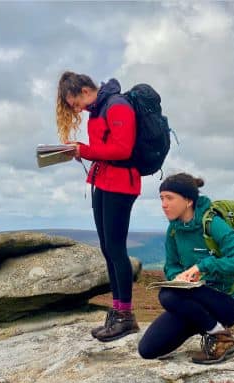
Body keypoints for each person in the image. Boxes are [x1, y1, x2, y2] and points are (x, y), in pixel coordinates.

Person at [56, 71, 140, 342]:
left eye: (73, 102)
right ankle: (116, 312)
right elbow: (106, 147)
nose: (74, 108)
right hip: (103, 182)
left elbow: (123, 149)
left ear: (83, 90)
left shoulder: (117, 105)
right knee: (107, 248)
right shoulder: (99, 109)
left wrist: (85, 151)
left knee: (116, 249)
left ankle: (126, 316)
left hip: (121, 184)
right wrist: (79, 151)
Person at [138, 173, 234, 364]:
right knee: (148, 349)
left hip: (227, 302)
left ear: (188, 200)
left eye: (170, 198)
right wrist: (178, 278)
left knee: (167, 295)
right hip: (193, 303)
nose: (164, 204)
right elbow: (171, 265)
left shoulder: (212, 224)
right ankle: (211, 328)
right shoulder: (174, 229)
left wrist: (204, 266)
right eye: (161, 198)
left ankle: (221, 337)